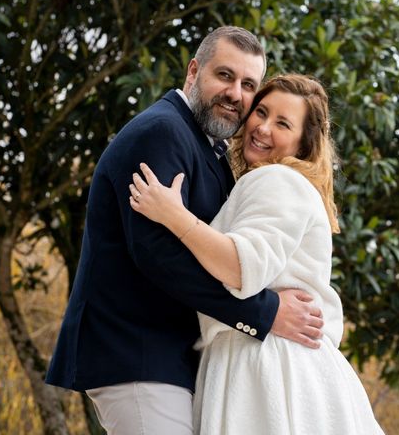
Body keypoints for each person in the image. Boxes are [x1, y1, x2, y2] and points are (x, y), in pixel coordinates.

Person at [45, 27, 325, 435]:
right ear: (193, 72)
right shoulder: (162, 131)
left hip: (171, 360)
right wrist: (265, 313)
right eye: (225, 76)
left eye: (249, 85)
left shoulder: (206, 147)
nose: (236, 94)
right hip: (138, 353)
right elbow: (157, 254)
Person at [129, 74, 385, 434]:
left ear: (302, 142)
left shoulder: (277, 179)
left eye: (282, 123)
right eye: (261, 112)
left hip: (263, 364)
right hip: (282, 359)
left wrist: (175, 216)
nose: (263, 128)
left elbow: (239, 267)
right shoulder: (280, 183)